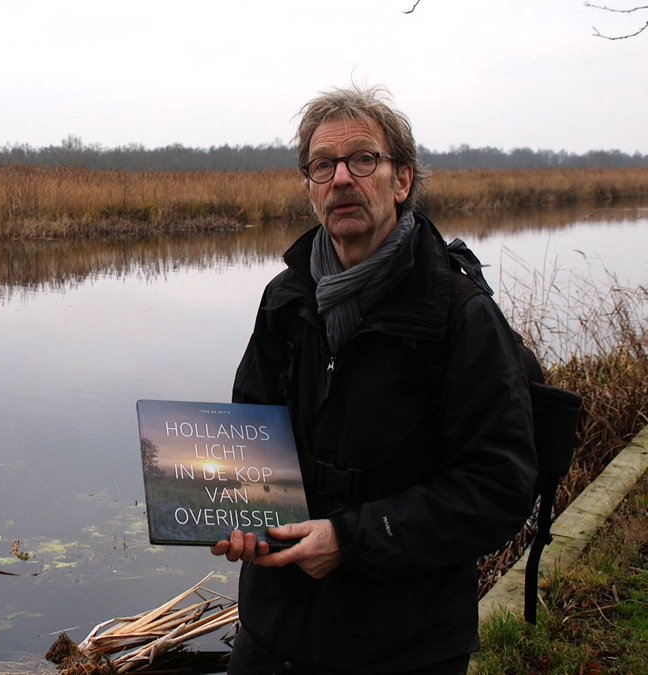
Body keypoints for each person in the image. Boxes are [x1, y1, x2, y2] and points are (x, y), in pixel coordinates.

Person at [211, 85, 537, 674]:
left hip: (403, 645)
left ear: (402, 180)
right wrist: (236, 516)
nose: (340, 178)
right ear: (310, 187)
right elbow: (247, 439)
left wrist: (353, 538)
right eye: (322, 165)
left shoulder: (457, 313)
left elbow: (499, 486)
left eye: (363, 159)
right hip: (275, 633)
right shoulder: (285, 299)